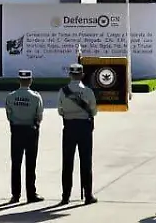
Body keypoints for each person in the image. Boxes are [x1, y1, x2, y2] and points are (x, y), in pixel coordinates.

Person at [58, 63, 97, 205]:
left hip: (69, 127)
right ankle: (88, 195)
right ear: (82, 75)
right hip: (84, 127)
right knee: (86, 162)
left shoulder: (63, 91)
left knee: (67, 162)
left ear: (70, 75)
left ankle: (65, 195)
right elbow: (93, 111)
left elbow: (60, 110)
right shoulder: (88, 92)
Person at [5, 70, 45, 204]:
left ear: (19, 80)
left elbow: (9, 115)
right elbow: (39, 116)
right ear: (30, 80)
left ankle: (15, 195)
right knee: (30, 163)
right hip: (30, 130)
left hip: (16, 130)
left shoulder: (11, 96)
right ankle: (31, 194)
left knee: (16, 163)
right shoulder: (35, 97)